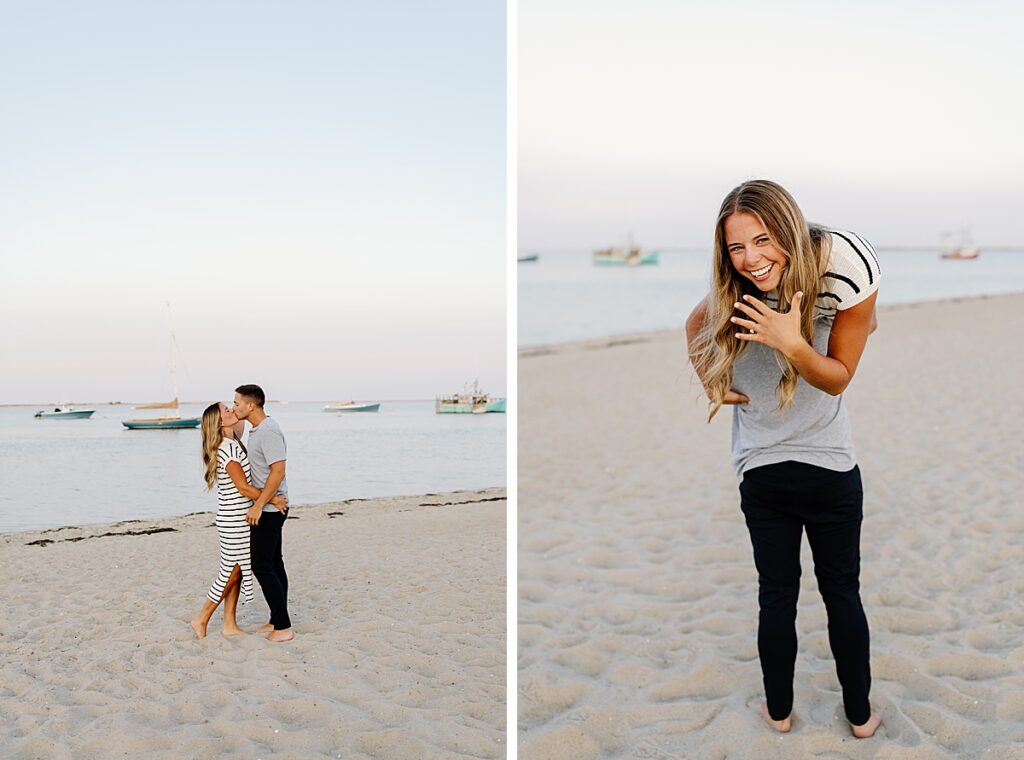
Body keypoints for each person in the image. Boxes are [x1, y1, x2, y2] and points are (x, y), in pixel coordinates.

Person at [685, 179, 882, 738]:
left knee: (777, 598)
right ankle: (862, 719)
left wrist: (718, 381)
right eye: (737, 247)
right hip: (831, 473)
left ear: (788, 234)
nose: (749, 259)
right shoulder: (817, 310)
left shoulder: (735, 312)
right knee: (842, 591)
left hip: (764, 475)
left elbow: (693, 325)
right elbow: (842, 365)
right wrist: (717, 384)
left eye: (762, 241)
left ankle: (778, 714)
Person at [191, 402, 287, 639]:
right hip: (235, 518)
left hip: (235, 516)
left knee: (240, 569)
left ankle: (229, 624)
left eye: (231, 406)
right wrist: (273, 499)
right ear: (219, 422)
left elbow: (252, 420)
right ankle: (201, 618)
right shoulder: (228, 449)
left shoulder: (233, 441)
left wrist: (251, 411)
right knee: (233, 571)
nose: (232, 410)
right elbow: (243, 487)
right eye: (227, 410)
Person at [232, 384, 294, 643]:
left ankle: (283, 627)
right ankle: (277, 619)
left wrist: (258, 505)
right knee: (274, 563)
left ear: (251, 405)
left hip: (269, 508)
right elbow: (230, 430)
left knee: (261, 565)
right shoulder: (256, 430)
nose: (234, 406)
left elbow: (278, 471)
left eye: (237, 403)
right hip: (269, 505)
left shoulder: (268, 431)